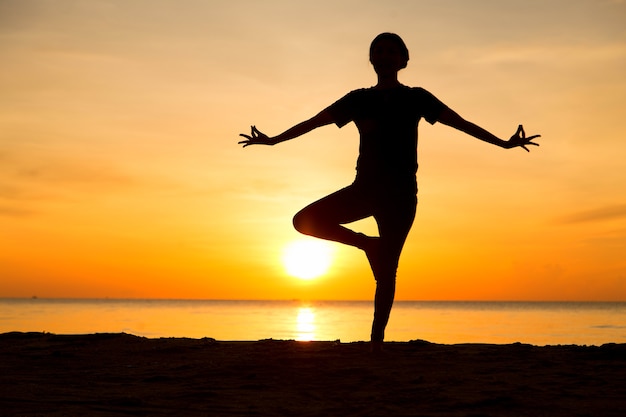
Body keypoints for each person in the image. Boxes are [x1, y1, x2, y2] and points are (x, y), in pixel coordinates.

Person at [239, 32, 540, 351]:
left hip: (400, 194)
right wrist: (273, 140)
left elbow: (460, 123)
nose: (383, 56)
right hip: (364, 189)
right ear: (371, 59)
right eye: (378, 51)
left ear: (403, 60)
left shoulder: (417, 98)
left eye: (390, 52)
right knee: (304, 221)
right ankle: (368, 245)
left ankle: (377, 341)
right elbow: (314, 122)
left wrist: (504, 143)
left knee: (387, 270)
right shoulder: (357, 99)